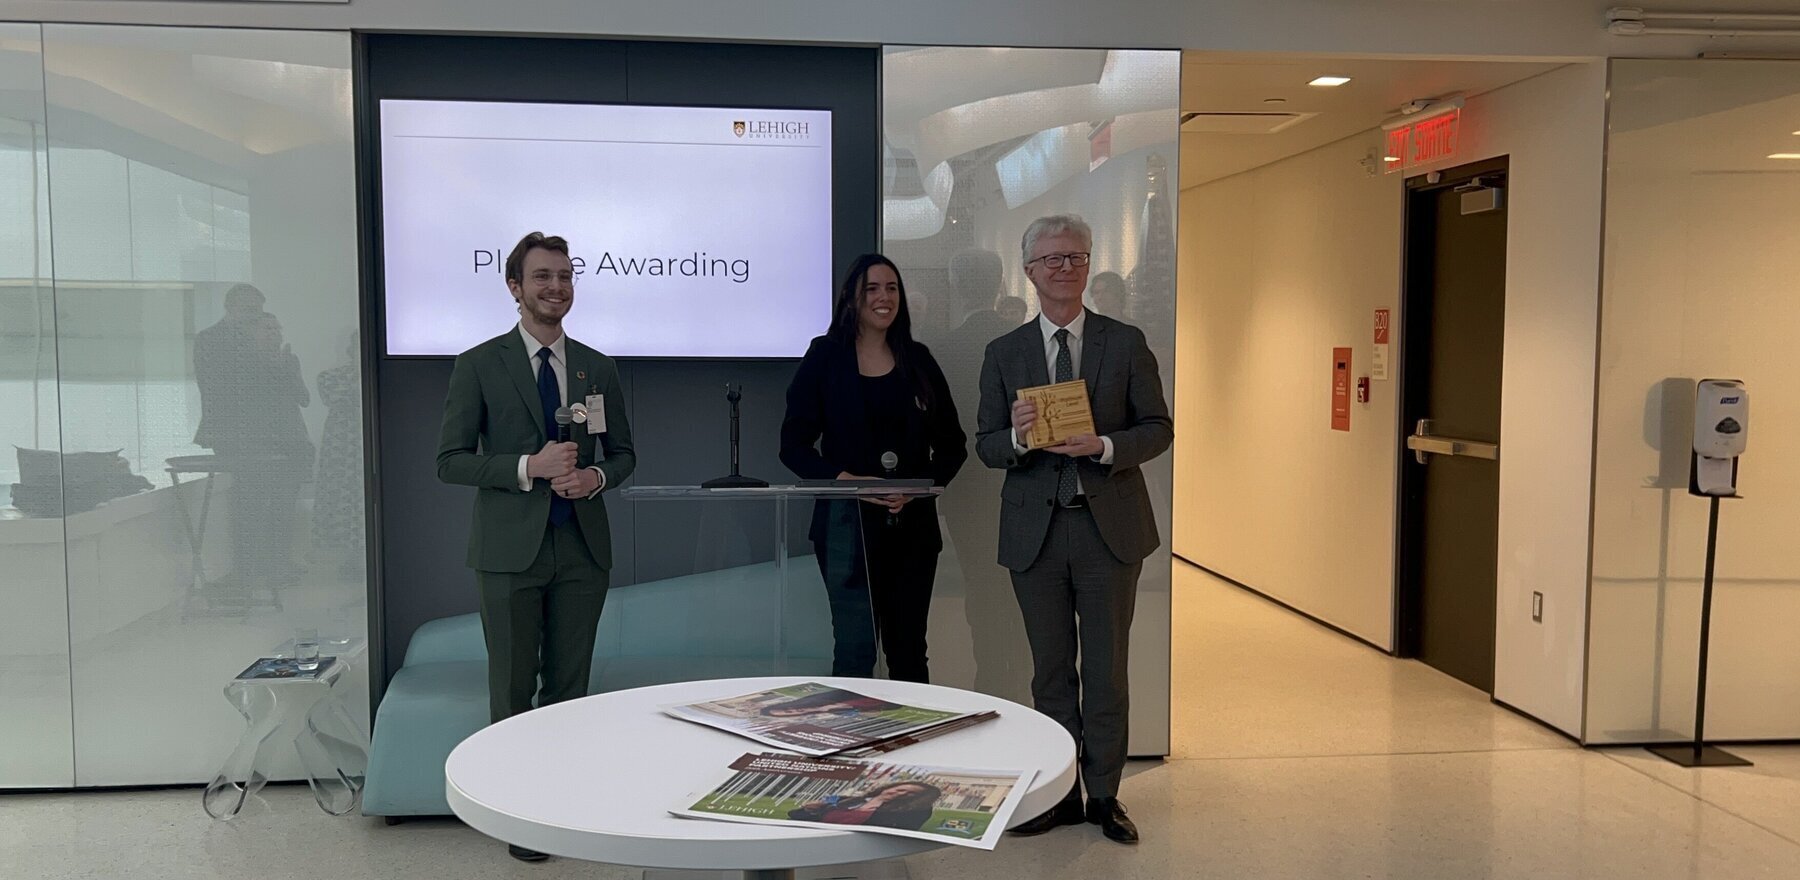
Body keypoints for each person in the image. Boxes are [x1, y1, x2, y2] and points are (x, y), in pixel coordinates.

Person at [436, 231, 635, 863]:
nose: (557, 287)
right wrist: (532, 465)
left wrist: (594, 476)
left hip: (581, 549)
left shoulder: (594, 366)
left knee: (569, 690)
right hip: (507, 553)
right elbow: (450, 461)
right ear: (515, 288)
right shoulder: (479, 363)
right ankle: (517, 813)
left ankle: (560, 806)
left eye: (566, 276)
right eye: (542, 277)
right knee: (513, 687)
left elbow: (624, 453)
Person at [976, 214, 1172, 845]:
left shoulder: (1126, 339)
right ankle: (1058, 791)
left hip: (1107, 530)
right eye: (1053, 259)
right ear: (1029, 271)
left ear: (1088, 267)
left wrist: (1108, 445)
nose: (1066, 268)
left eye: (1076, 257)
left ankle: (1106, 795)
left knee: (1109, 670)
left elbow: (1158, 427)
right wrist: (1016, 435)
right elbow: (983, 446)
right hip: (1036, 534)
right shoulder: (1003, 353)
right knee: (1051, 670)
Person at [780, 254, 967, 683]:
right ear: (852, 298)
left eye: (892, 288)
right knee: (853, 652)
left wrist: (920, 489)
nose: (884, 298)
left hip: (913, 532)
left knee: (908, 654)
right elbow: (793, 446)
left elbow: (953, 447)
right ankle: (850, 748)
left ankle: (909, 747)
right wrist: (847, 483)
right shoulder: (825, 356)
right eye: (872, 289)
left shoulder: (918, 359)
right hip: (846, 530)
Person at [192, 284, 313, 590]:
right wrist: (265, 357)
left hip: (277, 434)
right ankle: (250, 569)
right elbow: (223, 386)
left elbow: (296, 394)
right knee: (251, 501)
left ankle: (276, 563)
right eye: (248, 310)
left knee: (282, 499)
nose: (254, 316)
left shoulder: (267, 346)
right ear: (230, 307)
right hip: (239, 434)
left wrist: (276, 360)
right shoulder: (211, 339)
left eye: (258, 310)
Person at [313, 330, 364, 580]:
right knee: (344, 501)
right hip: (343, 451)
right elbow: (336, 397)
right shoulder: (331, 377)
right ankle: (350, 559)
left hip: (367, 446)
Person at [787, 781, 943, 830]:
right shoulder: (848, 799)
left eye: (911, 794)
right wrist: (811, 808)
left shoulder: (907, 812)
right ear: (890, 787)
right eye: (900, 788)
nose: (900, 793)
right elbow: (794, 814)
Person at [758, 689, 901, 718]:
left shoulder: (821, 697)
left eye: (787, 709)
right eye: (789, 714)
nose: (794, 711)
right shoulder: (832, 713)